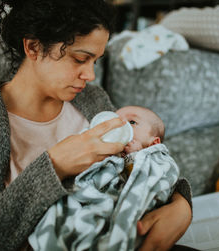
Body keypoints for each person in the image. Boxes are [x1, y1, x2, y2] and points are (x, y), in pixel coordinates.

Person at [0, 0, 192, 250]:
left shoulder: (93, 99)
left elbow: (137, 162)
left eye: (96, 61)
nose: (90, 75)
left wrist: (182, 207)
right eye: (80, 59)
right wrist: (54, 165)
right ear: (33, 47)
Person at [29, 106, 180, 250]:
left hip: (126, 210)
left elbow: (149, 178)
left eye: (132, 122)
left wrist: (134, 156)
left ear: (154, 143)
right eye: (115, 120)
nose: (119, 126)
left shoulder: (151, 158)